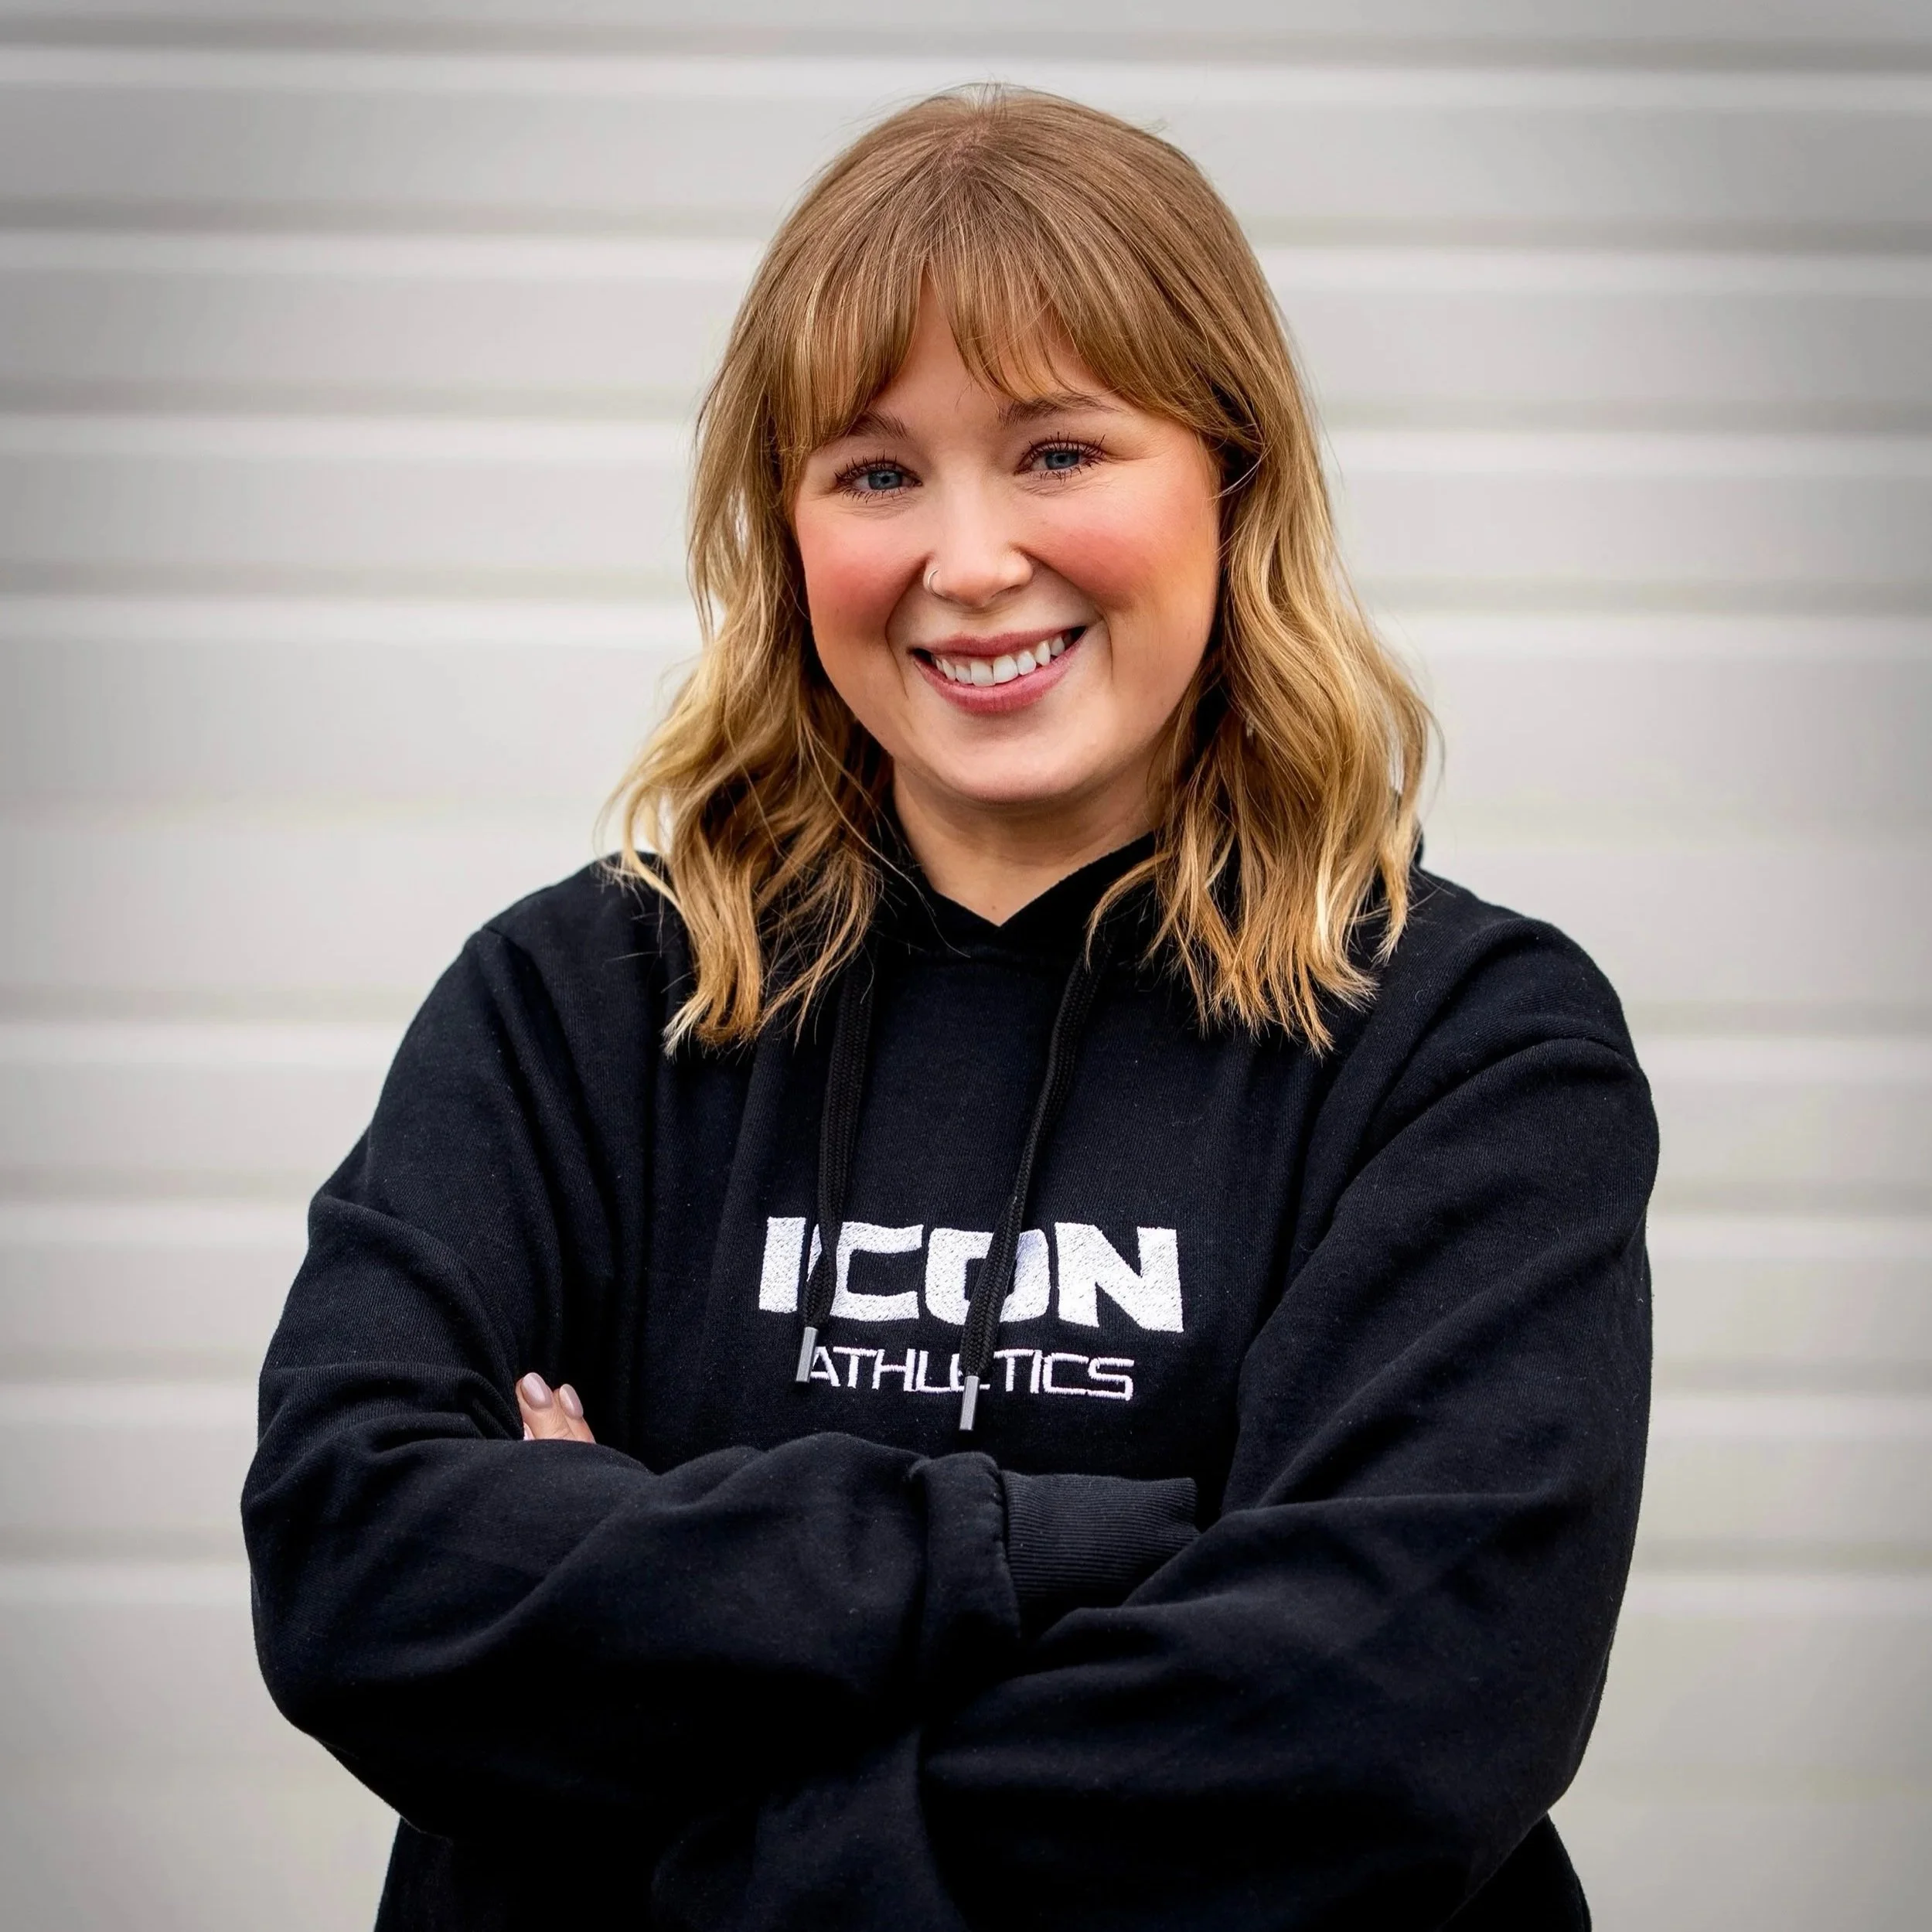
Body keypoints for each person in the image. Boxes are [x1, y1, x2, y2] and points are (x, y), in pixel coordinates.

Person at [244, 87, 1655, 1932]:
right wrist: (1082, 1552)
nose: (969, 558)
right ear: (787, 522)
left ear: (1230, 475)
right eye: (877, 470)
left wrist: (665, 1665)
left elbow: (1391, 1711)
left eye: (1060, 450)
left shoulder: (1461, 1045)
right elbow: (365, 1570)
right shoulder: (581, 1006)